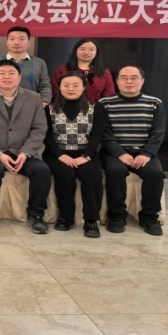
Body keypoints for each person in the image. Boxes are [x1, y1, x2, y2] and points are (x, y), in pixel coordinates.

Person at [0, 59, 51, 234]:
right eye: (2, 73)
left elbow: (39, 129)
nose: (6, 77)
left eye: (11, 73)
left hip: (22, 151)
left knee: (42, 170)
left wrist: (26, 153)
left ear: (19, 77)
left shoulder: (34, 98)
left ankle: (36, 215)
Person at [97, 66, 166, 236]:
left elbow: (158, 132)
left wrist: (147, 153)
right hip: (114, 153)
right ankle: (117, 216)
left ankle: (149, 217)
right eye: (124, 78)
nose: (129, 81)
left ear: (142, 81)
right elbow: (104, 133)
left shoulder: (155, 103)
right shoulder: (105, 103)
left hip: (144, 152)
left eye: (134, 78)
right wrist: (120, 153)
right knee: (115, 171)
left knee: (155, 173)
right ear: (117, 81)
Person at [43, 71, 104, 238]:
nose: (71, 88)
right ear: (59, 87)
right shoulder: (49, 109)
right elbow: (47, 136)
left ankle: (91, 220)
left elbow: (98, 134)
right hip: (58, 154)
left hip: (86, 153)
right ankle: (65, 217)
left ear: (83, 87)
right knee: (65, 174)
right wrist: (60, 155)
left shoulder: (95, 108)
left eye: (76, 85)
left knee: (91, 174)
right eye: (66, 85)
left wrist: (86, 156)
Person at [0, 26, 52, 105]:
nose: (16, 42)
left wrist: (43, 102)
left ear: (29, 43)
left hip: (32, 106)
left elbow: (45, 86)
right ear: (7, 42)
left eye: (21, 39)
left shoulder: (39, 63)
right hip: (0, 106)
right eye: (12, 39)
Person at [51, 38, 115, 104]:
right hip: (65, 106)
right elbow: (55, 92)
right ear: (76, 51)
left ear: (97, 52)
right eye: (82, 49)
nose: (86, 52)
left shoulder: (104, 72)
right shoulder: (63, 69)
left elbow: (109, 95)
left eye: (91, 49)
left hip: (96, 108)